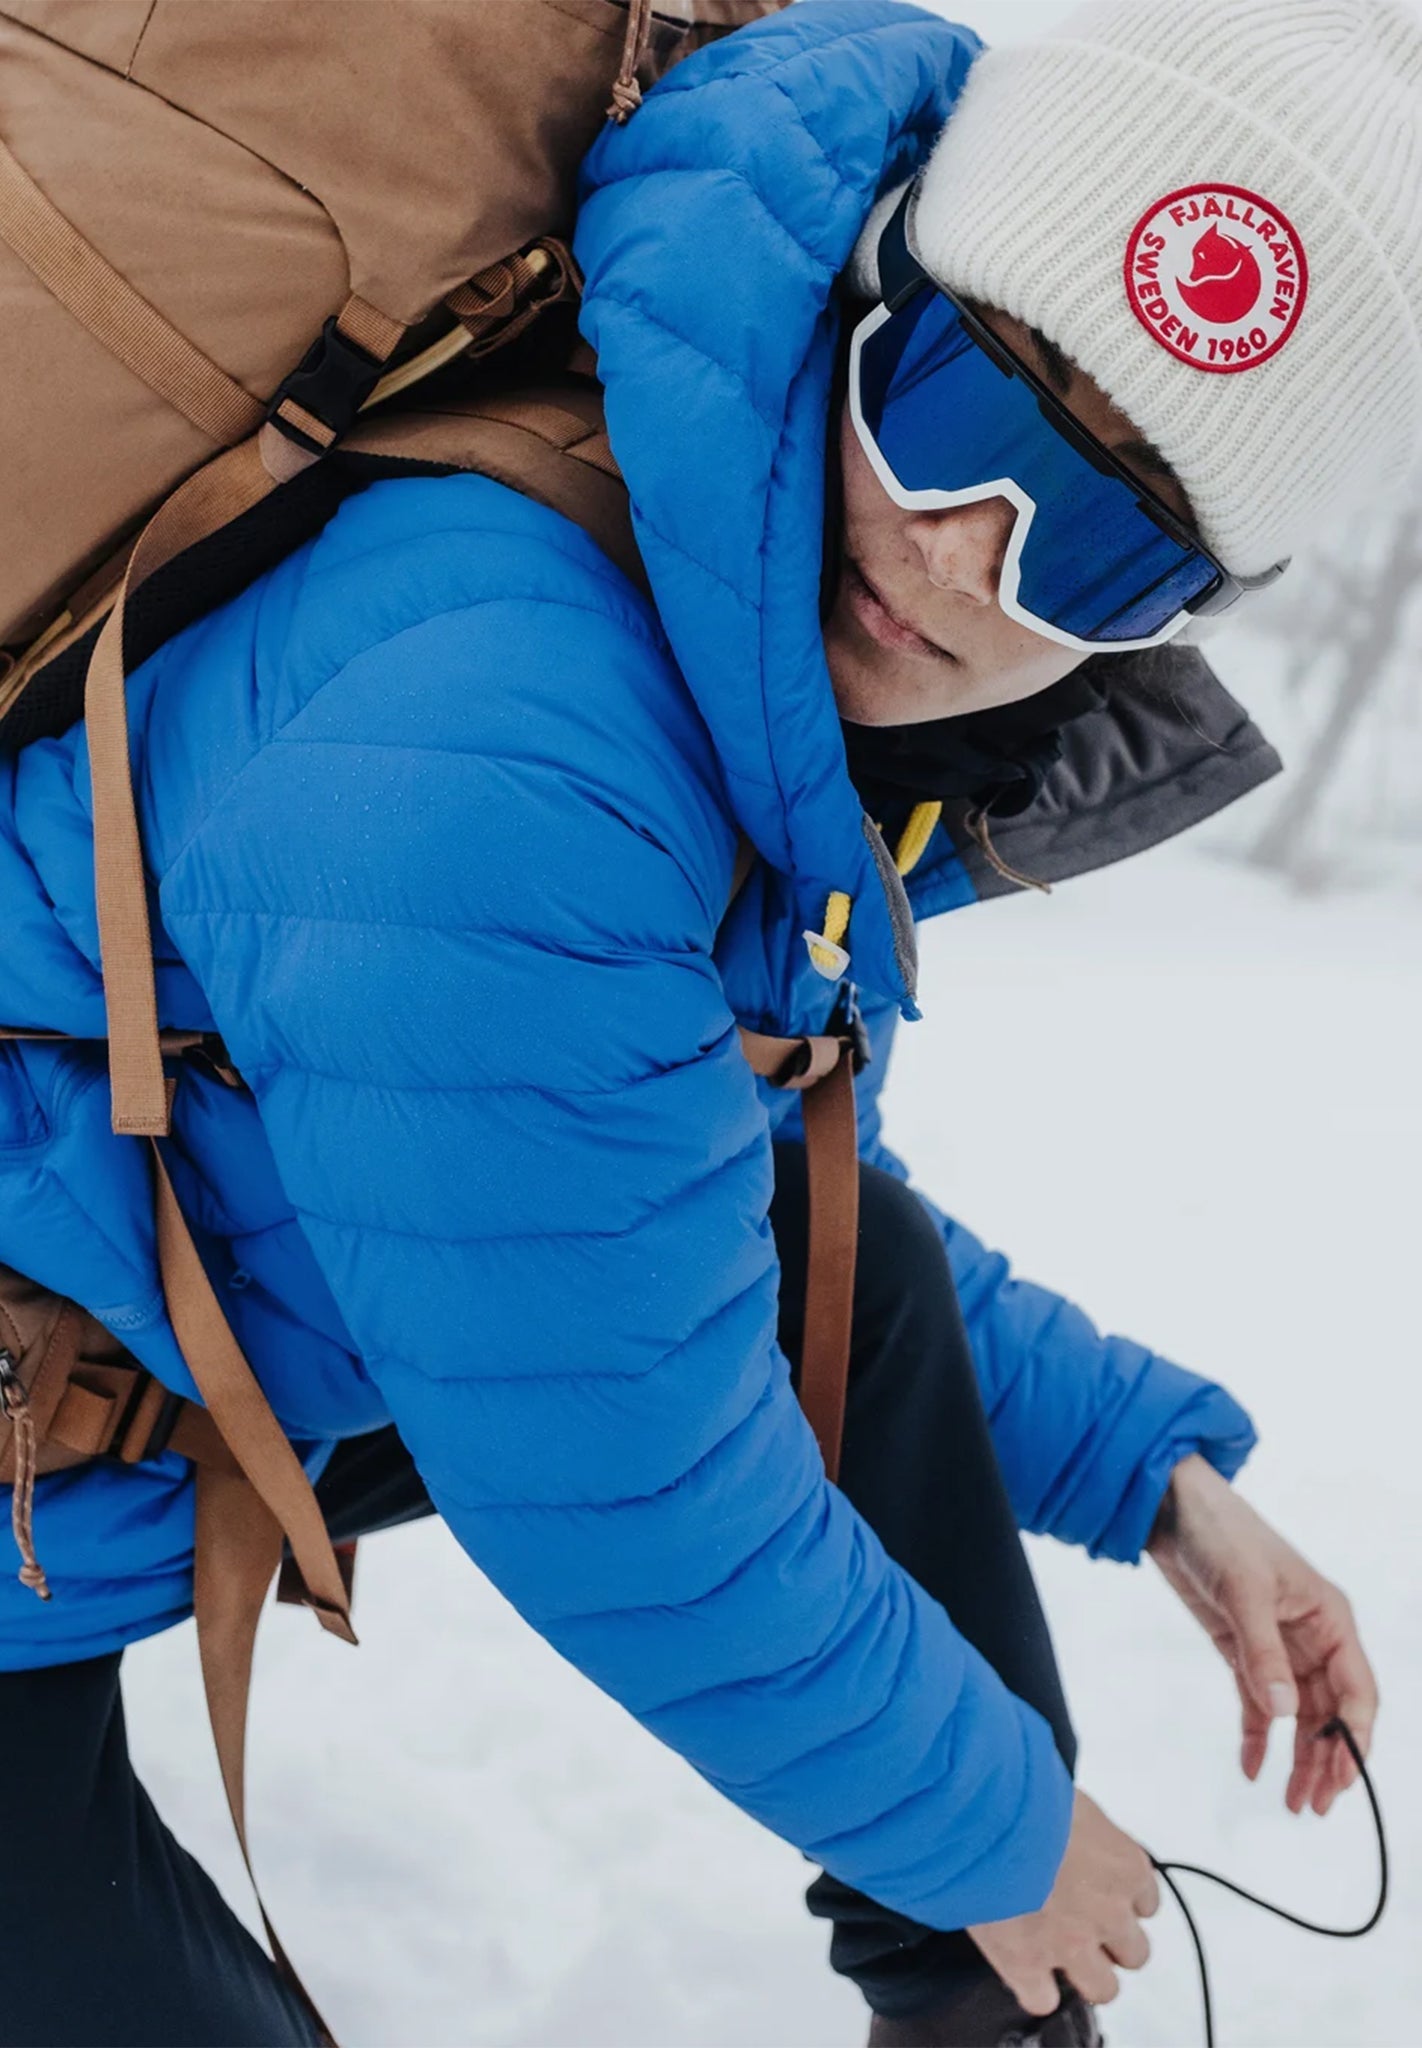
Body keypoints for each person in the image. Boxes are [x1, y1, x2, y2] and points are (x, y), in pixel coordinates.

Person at [0, 1, 1411, 2042]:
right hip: (53, 1463)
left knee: (862, 1272)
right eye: (957, 404)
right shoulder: (506, 732)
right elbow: (628, 1475)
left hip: (108, 1391)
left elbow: (688, 1176)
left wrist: (1156, 1473)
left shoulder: (699, 598)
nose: (961, 553)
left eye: (1097, 545)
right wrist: (1006, 1834)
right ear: (871, 282)